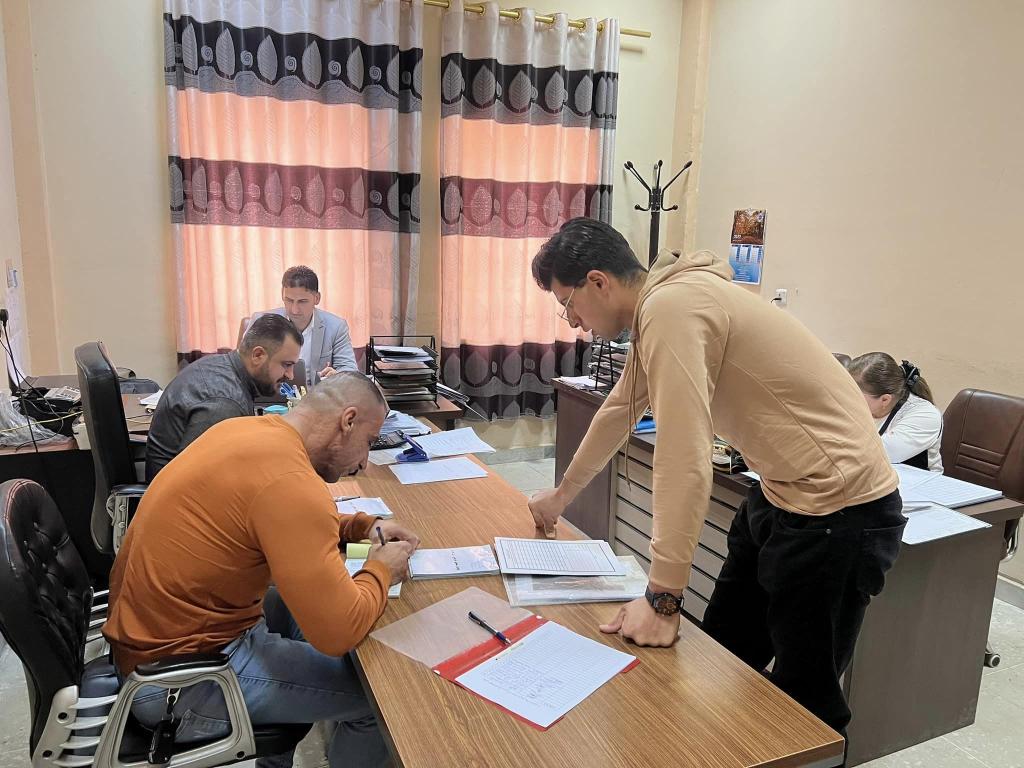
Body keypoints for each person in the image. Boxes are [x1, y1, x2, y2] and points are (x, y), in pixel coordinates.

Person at [527, 218, 904, 743]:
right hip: (779, 495)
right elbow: (620, 408)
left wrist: (663, 597)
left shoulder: (673, 307)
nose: (572, 321)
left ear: (598, 282)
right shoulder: (661, 306)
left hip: (840, 511)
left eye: (568, 304)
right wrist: (562, 495)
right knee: (723, 656)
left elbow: (684, 455)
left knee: (806, 706)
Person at [105, 372, 418, 768]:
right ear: (348, 421)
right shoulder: (292, 481)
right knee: (379, 700)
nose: (364, 462)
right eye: (369, 443)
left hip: (152, 646)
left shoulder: (246, 431)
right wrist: (381, 570)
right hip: (178, 684)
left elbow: (271, 515)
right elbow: (339, 632)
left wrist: (358, 526)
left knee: (299, 608)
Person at [145, 314, 303, 481]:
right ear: (258, 355)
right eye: (287, 365)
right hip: (178, 493)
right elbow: (200, 483)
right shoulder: (224, 403)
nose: (290, 375)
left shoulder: (220, 365)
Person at [253, 265, 359, 387]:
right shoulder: (262, 322)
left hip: (316, 394)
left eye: (302, 301)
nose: (294, 310)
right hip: (272, 393)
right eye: (289, 300)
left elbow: (350, 372)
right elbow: (244, 365)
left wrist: (338, 376)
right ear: (282, 294)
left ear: (317, 298)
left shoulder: (336, 327)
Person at [847, 352, 943, 471]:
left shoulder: (926, 416)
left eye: (854, 394)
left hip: (916, 480)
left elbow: (876, 454)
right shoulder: (865, 405)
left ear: (885, 399)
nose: (847, 398)